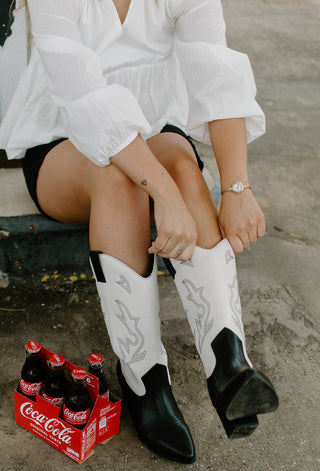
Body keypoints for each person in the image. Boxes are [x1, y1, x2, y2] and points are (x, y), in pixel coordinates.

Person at [0, 0, 279, 464]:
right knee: (119, 179)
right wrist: (163, 196)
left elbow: (218, 72)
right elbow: (84, 97)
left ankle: (228, 363)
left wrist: (236, 189)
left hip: (154, 128)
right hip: (63, 140)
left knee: (186, 171)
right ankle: (144, 377)